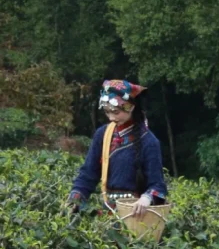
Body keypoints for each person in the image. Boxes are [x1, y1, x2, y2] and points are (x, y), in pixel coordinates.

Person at [67, 79, 168, 216]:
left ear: (130, 107)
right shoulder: (102, 134)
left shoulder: (149, 142)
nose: (111, 117)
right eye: (107, 112)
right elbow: (88, 174)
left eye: (115, 112)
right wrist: (75, 197)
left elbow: (157, 185)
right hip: (107, 214)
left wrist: (146, 198)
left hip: (136, 215)